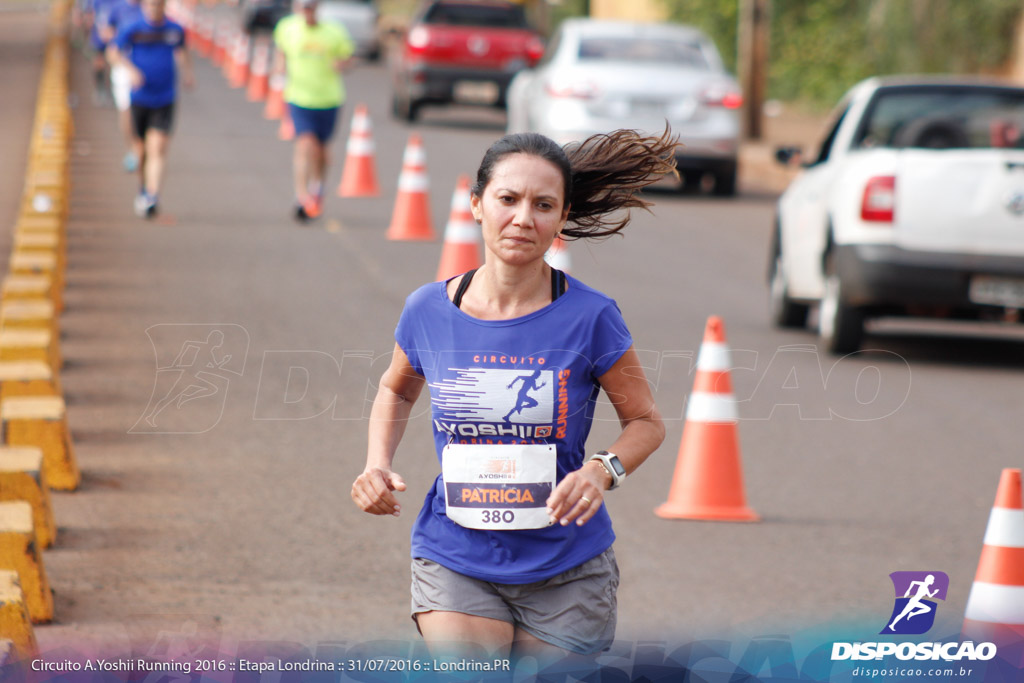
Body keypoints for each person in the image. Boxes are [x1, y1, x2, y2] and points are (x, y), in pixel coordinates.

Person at [351, 129, 676, 660]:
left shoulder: (592, 318)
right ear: (477, 205)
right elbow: (397, 388)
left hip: (568, 569)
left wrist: (600, 471)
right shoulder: (428, 310)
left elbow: (646, 422)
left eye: (543, 205)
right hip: (455, 555)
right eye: (508, 199)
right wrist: (376, 463)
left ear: (562, 217)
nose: (524, 218)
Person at [108, 0, 194, 218]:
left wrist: (187, 73)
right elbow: (114, 53)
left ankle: (152, 196)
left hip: (165, 97)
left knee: (158, 147)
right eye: (151, 5)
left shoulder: (174, 29)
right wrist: (131, 71)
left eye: (159, 5)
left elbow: (182, 50)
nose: (155, 8)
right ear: (145, 6)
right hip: (140, 97)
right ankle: (143, 188)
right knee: (142, 150)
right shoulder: (133, 28)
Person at [272, 0, 354, 222]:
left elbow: (348, 57)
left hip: (329, 98)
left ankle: (318, 188)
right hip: (299, 97)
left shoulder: (334, 31)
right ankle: (301, 197)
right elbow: (281, 51)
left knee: (322, 150)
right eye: (303, 7)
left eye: (311, 7)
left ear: (318, 8)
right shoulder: (287, 27)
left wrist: (343, 64)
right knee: (304, 144)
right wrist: (279, 69)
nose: (307, 12)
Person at [102, 0, 144, 172]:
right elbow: (106, 34)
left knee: (145, 110)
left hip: (145, 67)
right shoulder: (116, 8)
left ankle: (143, 148)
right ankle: (134, 149)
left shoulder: (149, 6)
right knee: (126, 112)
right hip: (123, 68)